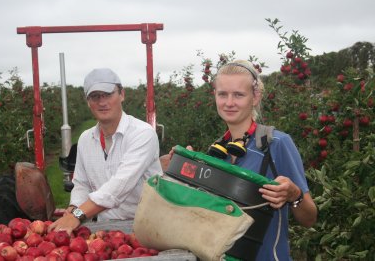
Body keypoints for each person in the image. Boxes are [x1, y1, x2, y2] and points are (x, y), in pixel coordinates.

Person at [171, 60, 317, 260]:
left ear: (255, 97)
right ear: (215, 96)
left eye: (238, 94)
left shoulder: (276, 144)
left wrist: (295, 194)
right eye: (223, 94)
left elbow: (309, 219)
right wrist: (186, 170)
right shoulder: (216, 151)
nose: (229, 102)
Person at [48, 68, 162, 234]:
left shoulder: (142, 134)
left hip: (146, 229)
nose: (102, 102)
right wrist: (73, 209)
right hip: (103, 230)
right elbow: (81, 184)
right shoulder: (85, 139)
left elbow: (119, 186)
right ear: (88, 101)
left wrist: (78, 215)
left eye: (108, 94)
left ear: (122, 94)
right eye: (95, 96)